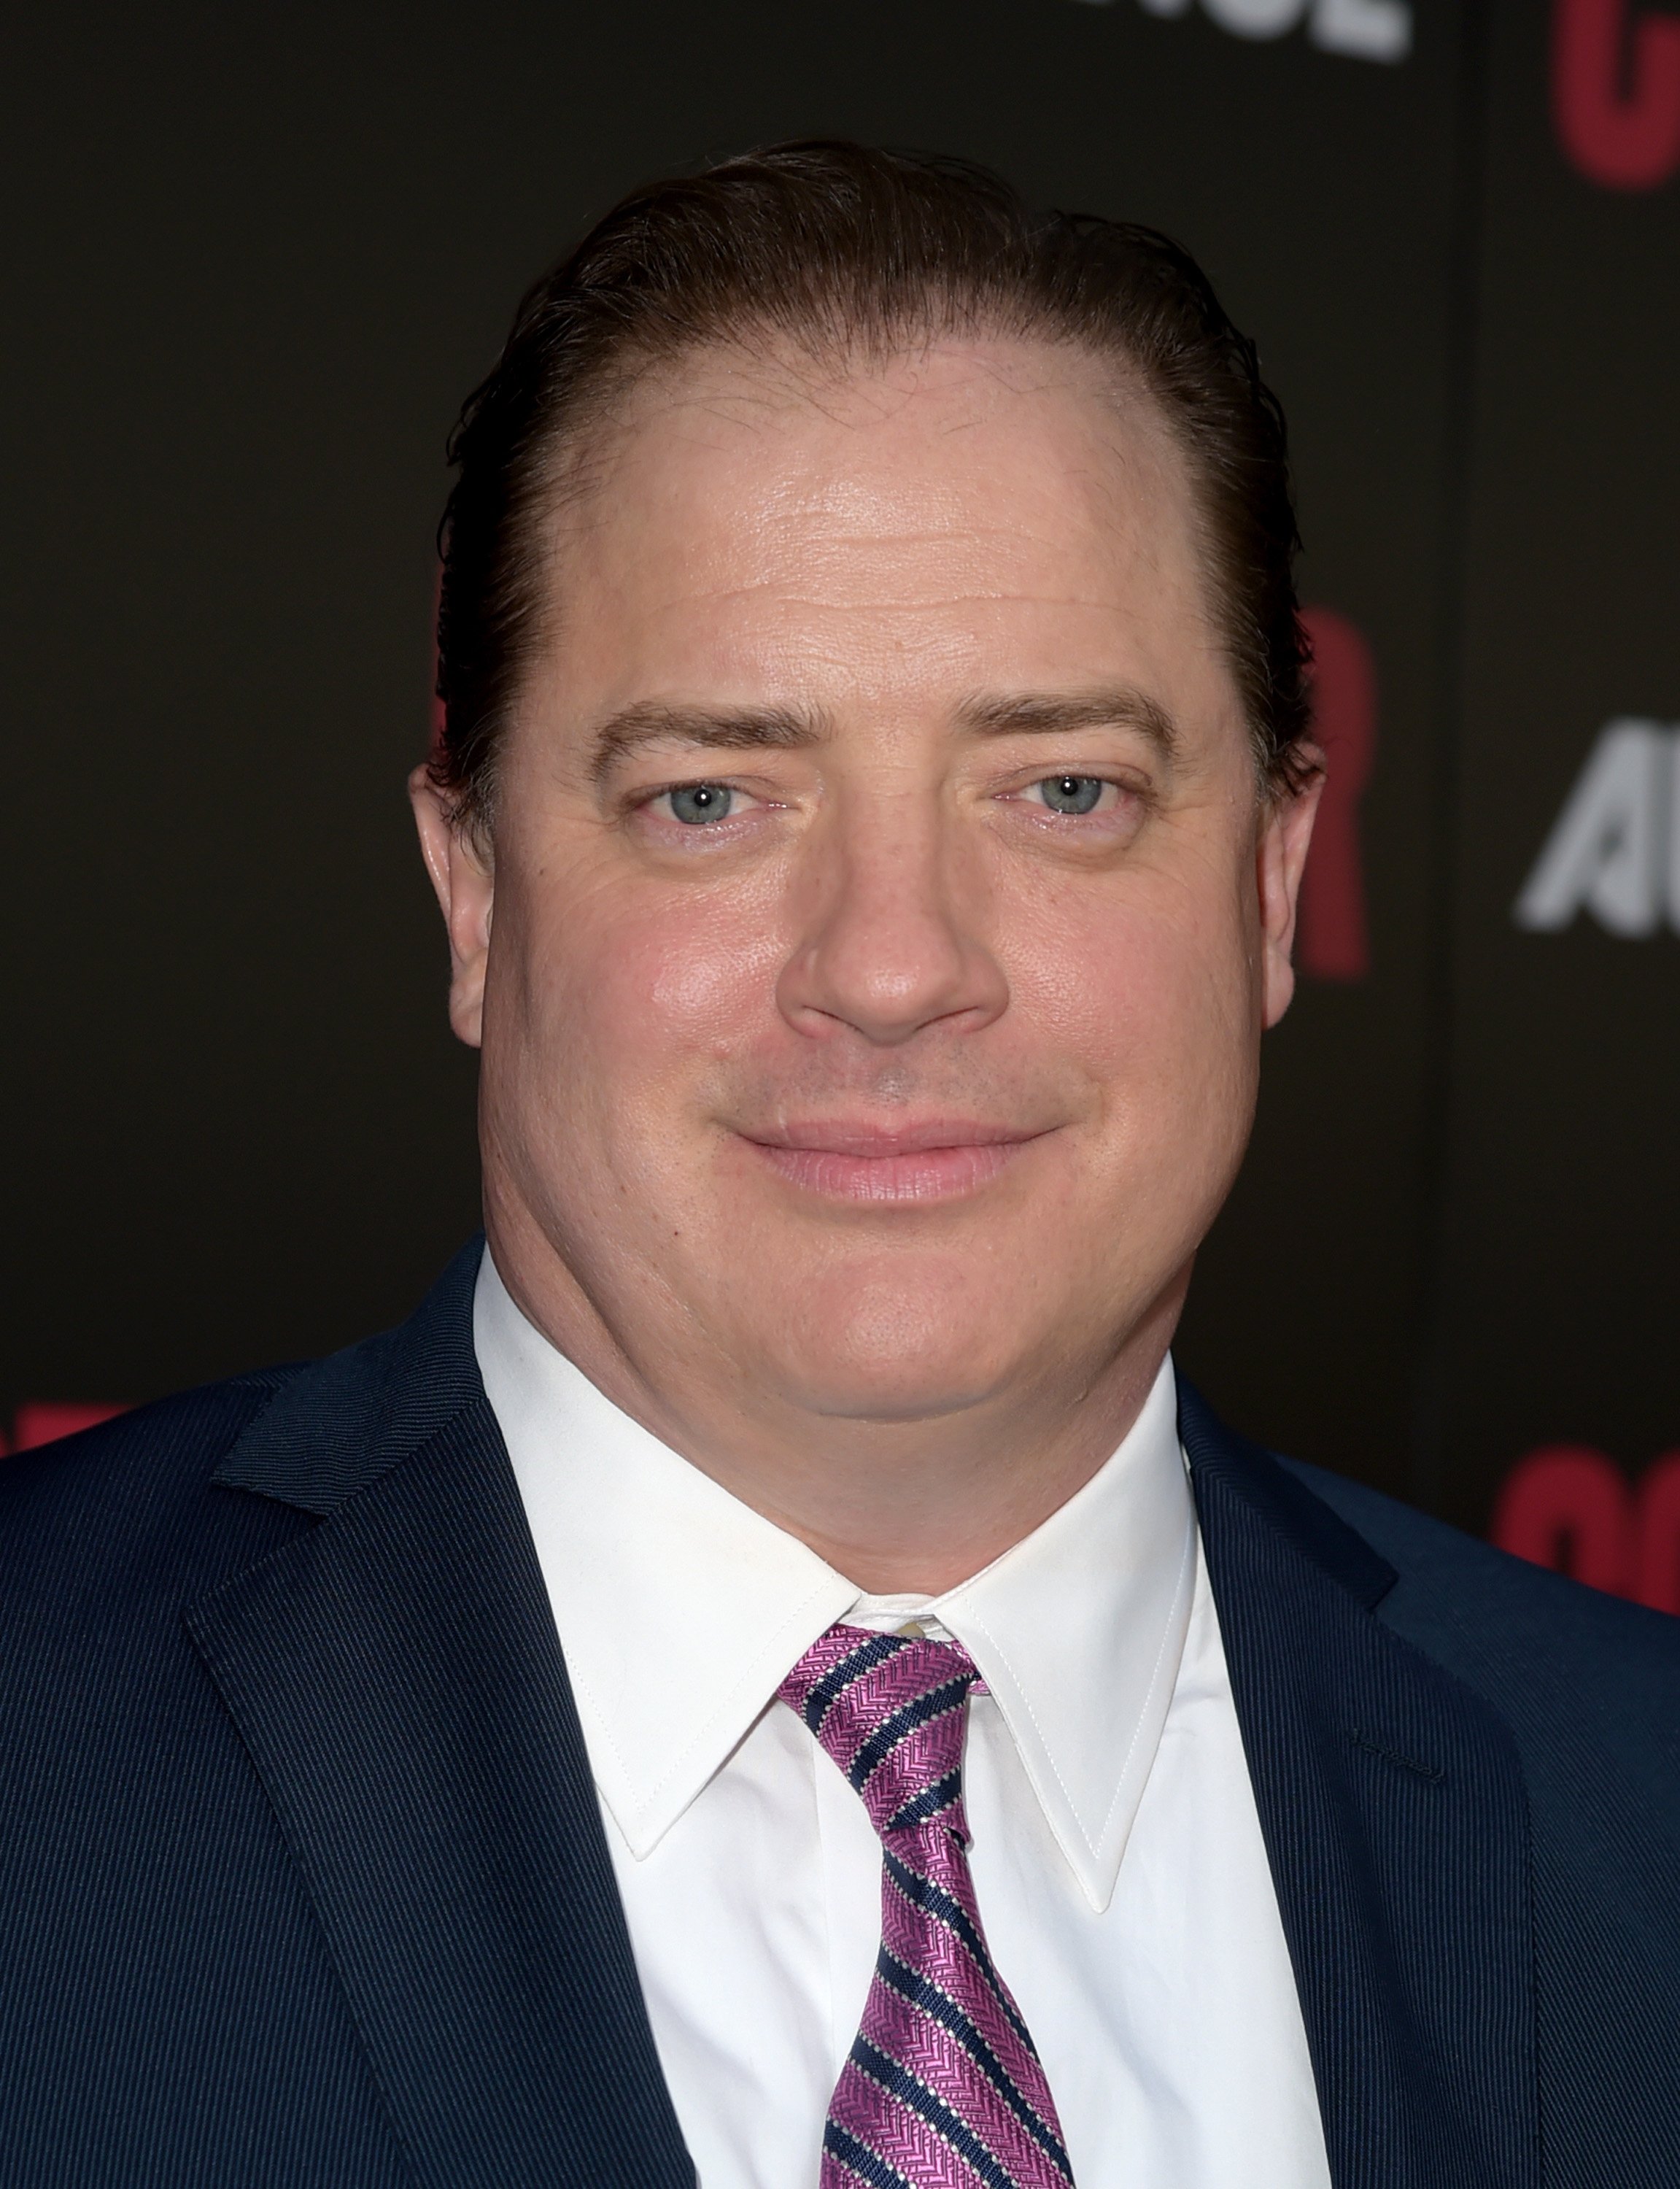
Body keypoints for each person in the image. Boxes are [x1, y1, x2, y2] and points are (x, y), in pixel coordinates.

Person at [1, 142, 1676, 2189]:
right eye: (712, 797)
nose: (893, 967)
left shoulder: (1639, 1798)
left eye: (1066, 789)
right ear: (471, 893)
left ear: (1271, 885)